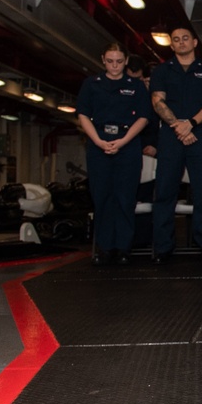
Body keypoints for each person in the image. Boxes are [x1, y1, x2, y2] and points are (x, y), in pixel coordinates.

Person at [150, 27, 202, 263]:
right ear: (171, 45)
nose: (181, 43)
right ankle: (162, 247)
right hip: (171, 136)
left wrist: (190, 124)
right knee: (165, 191)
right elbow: (157, 101)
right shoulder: (162, 70)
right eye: (176, 40)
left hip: (199, 133)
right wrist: (178, 126)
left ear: (194, 42)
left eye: (185, 39)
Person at [76, 43, 151, 265]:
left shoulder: (136, 86)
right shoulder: (91, 84)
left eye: (119, 61)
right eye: (110, 61)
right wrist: (98, 141)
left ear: (126, 61)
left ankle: (124, 248)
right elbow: (83, 115)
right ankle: (105, 247)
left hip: (127, 145)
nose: (115, 65)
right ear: (103, 60)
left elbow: (144, 117)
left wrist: (123, 141)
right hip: (98, 144)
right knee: (102, 198)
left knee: (125, 198)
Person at [125, 54, 158, 157]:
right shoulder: (121, 94)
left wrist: (156, 145)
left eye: (139, 79)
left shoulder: (161, 99)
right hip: (126, 146)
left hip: (150, 149)